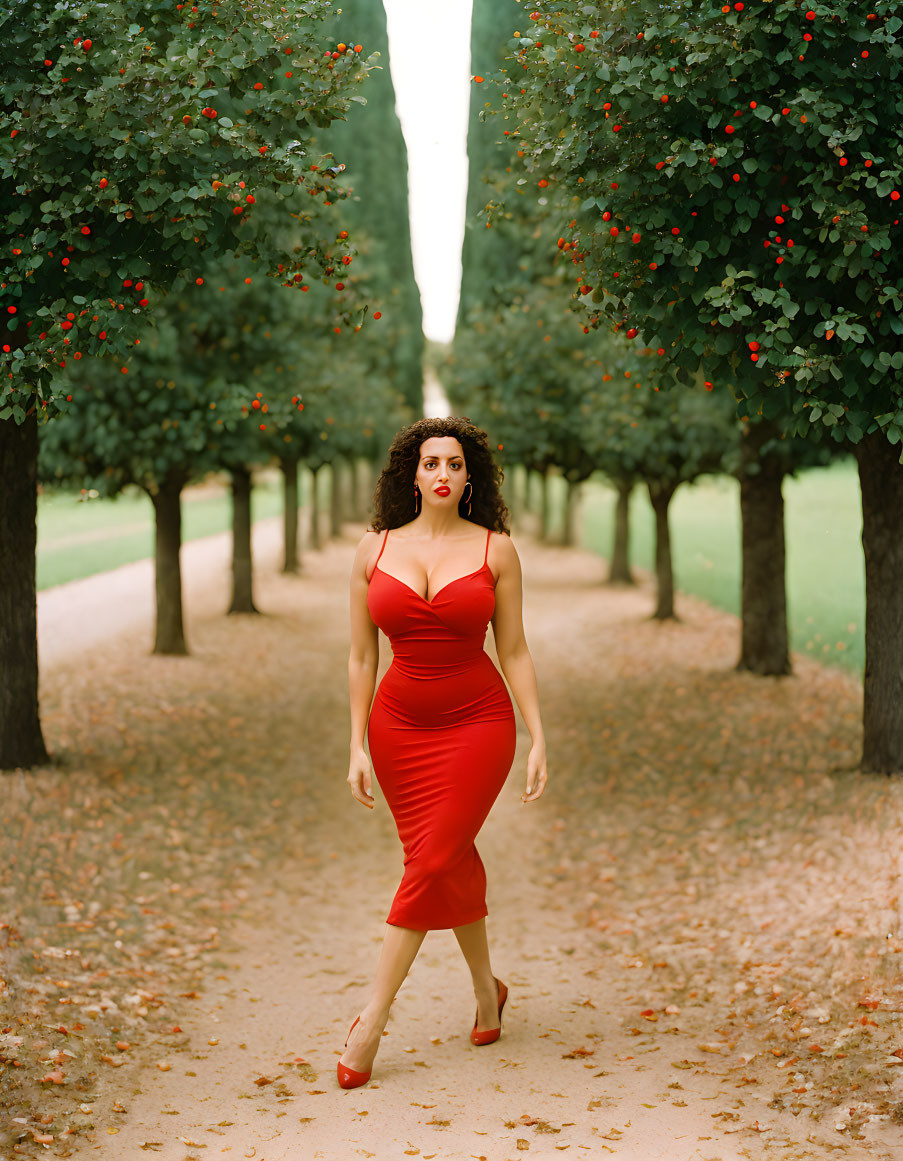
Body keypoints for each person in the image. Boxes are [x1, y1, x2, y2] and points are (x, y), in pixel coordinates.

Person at [339, 416, 548, 1089]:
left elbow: (512, 648)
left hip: (478, 722)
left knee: (429, 860)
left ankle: (370, 1020)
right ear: (411, 472)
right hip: (397, 726)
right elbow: (359, 653)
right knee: (441, 860)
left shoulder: (496, 550)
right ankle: (488, 991)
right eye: (431, 463)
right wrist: (355, 745)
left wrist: (537, 732)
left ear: (469, 477)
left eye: (455, 464)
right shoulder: (372, 549)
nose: (442, 475)